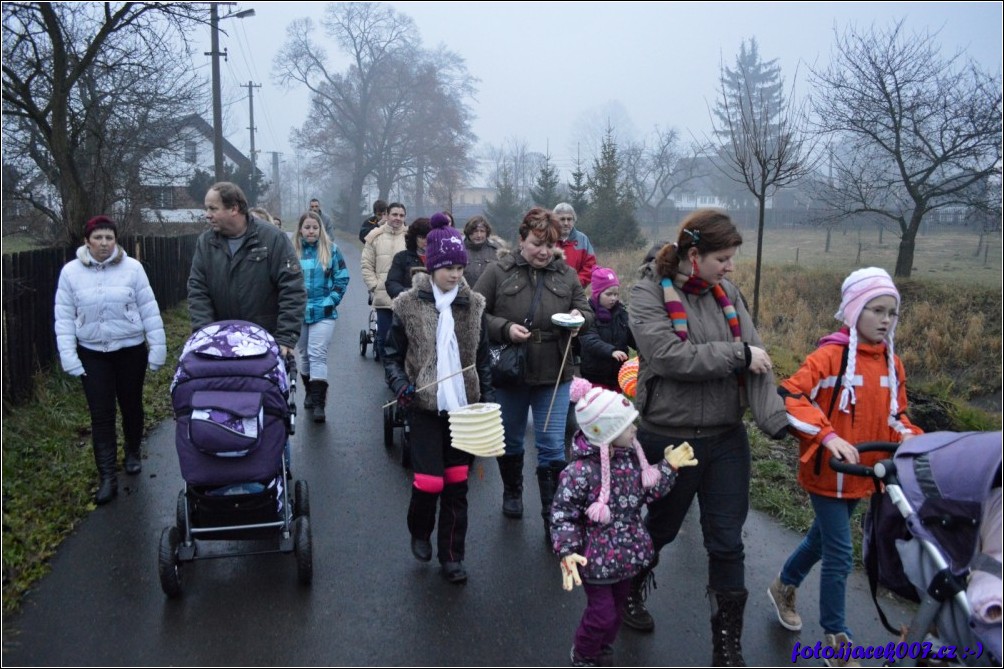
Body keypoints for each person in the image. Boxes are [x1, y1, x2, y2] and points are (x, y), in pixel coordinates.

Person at [625, 209, 789, 666]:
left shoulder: (728, 294)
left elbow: (758, 361)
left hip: (725, 439)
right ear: (693, 255)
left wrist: (778, 422)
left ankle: (726, 645)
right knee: (660, 528)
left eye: (732, 258)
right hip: (668, 438)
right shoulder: (646, 294)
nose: (730, 267)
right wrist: (736, 354)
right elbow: (669, 356)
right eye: (723, 258)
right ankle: (631, 587)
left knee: (726, 541)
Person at [768, 267, 922, 664]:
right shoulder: (829, 356)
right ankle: (837, 639)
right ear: (854, 311)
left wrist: (914, 440)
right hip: (827, 475)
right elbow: (791, 396)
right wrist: (828, 436)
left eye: (891, 312)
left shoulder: (893, 363)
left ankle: (783, 584)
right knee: (839, 553)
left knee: (821, 541)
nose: (886, 320)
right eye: (876, 310)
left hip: (867, 476)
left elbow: (897, 415)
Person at [552, 378, 698, 667]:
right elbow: (563, 514)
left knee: (616, 611)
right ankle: (583, 653)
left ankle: (602, 648)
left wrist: (669, 467)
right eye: (628, 425)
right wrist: (567, 551)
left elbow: (651, 490)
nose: (635, 429)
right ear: (606, 431)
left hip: (627, 556)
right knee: (601, 613)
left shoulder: (633, 460)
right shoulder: (578, 472)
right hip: (594, 559)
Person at [383, 212, 494, 584]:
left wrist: (488, 398)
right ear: (430, 265)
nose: (455, 275)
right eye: (447, 267)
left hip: (464, 410)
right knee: (429, 483)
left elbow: (481, 359)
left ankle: (452, 556)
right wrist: (401, 386)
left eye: (460, 267)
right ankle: (419, 529)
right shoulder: (408, 305)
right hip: (425, 406)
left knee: (457, 484)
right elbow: (392, 355)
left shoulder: (473, 306)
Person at [474, 207, 593, 538]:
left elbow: (586, 311)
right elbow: (475, 313)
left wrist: (578, 321)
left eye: (550, 244)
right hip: (511, 372)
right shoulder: (499, 271)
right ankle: (512, 491)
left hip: (554, 371)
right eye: (537, 243)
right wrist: (504, 328)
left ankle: (553, 515)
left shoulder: (565, 274)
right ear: (521, 240)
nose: (544, 251)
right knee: (511, 439)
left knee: (553, 445)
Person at [54, 216, 166, 504]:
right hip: (93, 353)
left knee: (131, 405)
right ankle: (107, 476)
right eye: (98, 238)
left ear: (116, 241)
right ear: (87, 241)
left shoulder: (133, 269)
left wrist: (157, 348)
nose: (104, 243)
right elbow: (64, 316)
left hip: (130, 349)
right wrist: (69, 355)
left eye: (109, 238)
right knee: (101, 414)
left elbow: (149, 308)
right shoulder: (71, 273)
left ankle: (131, 451)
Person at [189, 181, 306, 357]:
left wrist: (285, 337)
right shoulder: (206, 243)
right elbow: (198, 290)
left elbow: (292, 289)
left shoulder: (273, 239)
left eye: (213, 209)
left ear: (234, 208)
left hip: (265, 343)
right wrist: (206, 335)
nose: (207, 215)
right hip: (219, 344)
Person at [293, 210, 350, 423]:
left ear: (320, 229)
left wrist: (331, 301)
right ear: (301, 229)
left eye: (315, 227)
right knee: (304, 354)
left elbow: (342, 278)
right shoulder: (292, 253)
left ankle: (319, 403)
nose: (311, 231)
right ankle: (309, 390)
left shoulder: (332, 251)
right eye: (307, 227)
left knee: (317, 353)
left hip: (323, 312)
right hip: (299, 312)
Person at [361, 202, 408, 361]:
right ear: (387, 215)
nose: (398, 218)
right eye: (394, 214)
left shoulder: (410, 237)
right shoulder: (375, 236)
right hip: (382, 295)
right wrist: (374, 285)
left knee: (405, 337)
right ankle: (389, 371)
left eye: (401, 215)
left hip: (405, 296)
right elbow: (366, 265)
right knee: (384, 335)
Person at [579, 267, 635, 392]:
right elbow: (589, 339)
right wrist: (611, 351)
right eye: (608, 294)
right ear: (597, 293)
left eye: (616, 294)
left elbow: (632, 335)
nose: (613, 298)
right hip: (594, 376)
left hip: (618, 375)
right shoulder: (587, 313)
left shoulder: (621, 313)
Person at [553, 203, 597, 288]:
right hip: (550, 292)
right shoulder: (547, 238)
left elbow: (590, 266)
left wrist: (576, 283)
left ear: (574, 220)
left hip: (575, 291)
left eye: (569, 219)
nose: (566, 223)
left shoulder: (583, 239)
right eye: (562, 219)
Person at [385, 217, 430, 299]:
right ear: (414, 238)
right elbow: (392, 282)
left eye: (429, 237)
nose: (426, 241)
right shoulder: (402, 257)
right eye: (422, 237)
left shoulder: (441, 257)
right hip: (409, 304)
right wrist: (406, 293)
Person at [461, 215, 502, 288]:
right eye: (475, 231)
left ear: (487, 233)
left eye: (482, 231)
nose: (479, 235)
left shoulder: (496, 250)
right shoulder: (459, 249)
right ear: (468, 232)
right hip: (464, 296)